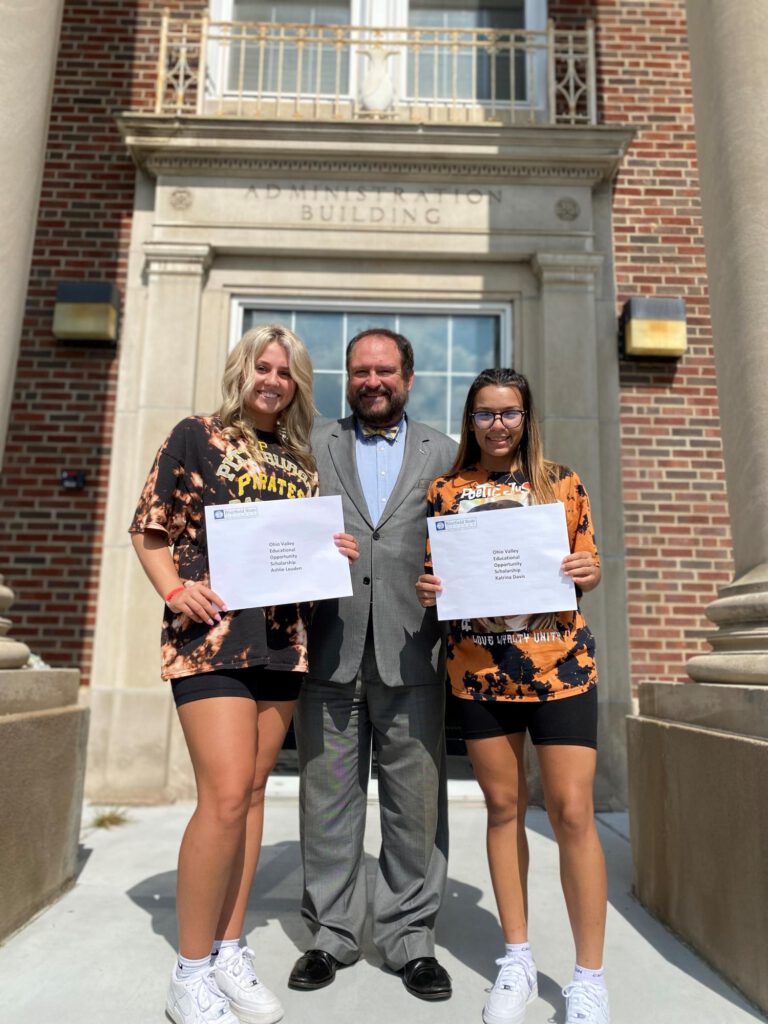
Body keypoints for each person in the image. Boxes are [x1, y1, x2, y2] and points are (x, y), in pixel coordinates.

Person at [130, 324, 358, 1024]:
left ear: (297, 385)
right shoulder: (196, 434)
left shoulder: (297, 457)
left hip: (284, 642)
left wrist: (332, 550)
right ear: (243, 370)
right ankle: (189, 972)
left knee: (254, 792)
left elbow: (294, 556)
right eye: (263, 367)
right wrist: (174, 591)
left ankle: (230, 947)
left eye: (286, 372)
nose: (273, 380)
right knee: (225, 794)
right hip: (212, 639)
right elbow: (149, 528)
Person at [416, 367, 609, 1024]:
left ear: (526, 417)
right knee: (503, 807)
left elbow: (589, 562)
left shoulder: (561, 482)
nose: (497, 424)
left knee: (573, 813)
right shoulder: (445, 493)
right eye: (484, 414)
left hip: (560, 669)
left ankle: (588, 978)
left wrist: (591, 567)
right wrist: (431, 591)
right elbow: (437, 575)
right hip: (478, 671)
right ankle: (517, 958)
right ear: (469, 421)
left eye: (509, 413)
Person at [288, 328, 458, 1001]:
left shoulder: (446, 453)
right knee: (327, 800)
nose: (372, 382)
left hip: (414, 651)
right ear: (347, 379)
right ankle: (331, 934)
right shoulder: (310, 450)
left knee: (414, 809)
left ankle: (411, 939)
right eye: (360, 371)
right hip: (330, 650)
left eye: (384, 371)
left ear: (408, 379)